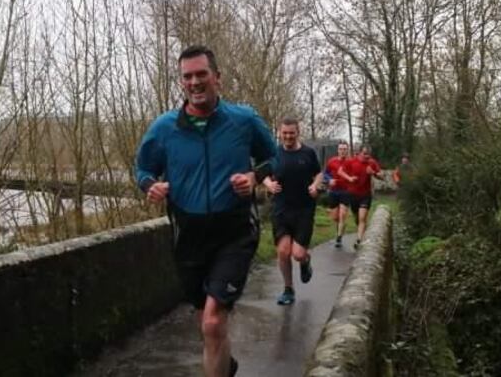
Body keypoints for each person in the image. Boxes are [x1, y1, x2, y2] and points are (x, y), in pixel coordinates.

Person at [135, 45, 276, 377]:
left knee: (213, 321)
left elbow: (275, 159)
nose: (195, 82)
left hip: (234, 231)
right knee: (208, 323)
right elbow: (142, 169)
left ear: (217, 78)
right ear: (181, 82)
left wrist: (254, 177)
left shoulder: (244, 120)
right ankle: (225, 367)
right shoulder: (164, 128)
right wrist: (150, 186)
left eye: (201, 74)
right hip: (189, 236)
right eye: (187, 77)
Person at [262, 117, 322, 305]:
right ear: (280, 133)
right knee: (283, 251)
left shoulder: (308, 153)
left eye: (291, 133)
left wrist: (315, 185)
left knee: (297, 254)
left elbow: (319, 173)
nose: (288, 136)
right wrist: (269, 184)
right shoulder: (273, 154)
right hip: (281, 209)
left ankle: (305, 261)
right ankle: (288, 289)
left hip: (304, 210)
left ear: (298, 132)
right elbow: (261, 173)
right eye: (284, 133)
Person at [344, 145, 382, 249]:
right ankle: (361, 230)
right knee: (357, 218)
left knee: (362, 218)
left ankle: (359, 240)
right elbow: (341, 172)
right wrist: (349, 178)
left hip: (365, 195)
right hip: (353, 194)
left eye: (369, 154)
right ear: (359, 153)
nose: (367, 156)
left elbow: (382, 176)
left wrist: (373, 173)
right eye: (365, 154)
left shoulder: (372, 162)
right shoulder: (351, 162)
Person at [322, 141, 356, 249]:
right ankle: (341, 226)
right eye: (341, 149)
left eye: (345, 149)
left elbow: (355, 175)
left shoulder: (351, 162)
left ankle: (339, 238)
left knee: (342, 215)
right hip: (333, 191)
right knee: (335, 217)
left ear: (347, 150)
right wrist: (329, 180)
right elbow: (325, 173)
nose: (343, 151)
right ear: (338, 150)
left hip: (346, 191)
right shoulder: (332, 161)